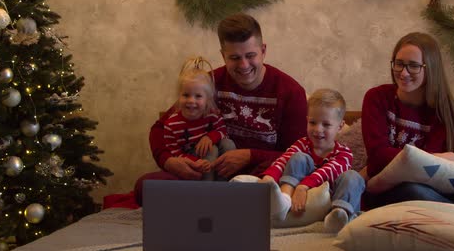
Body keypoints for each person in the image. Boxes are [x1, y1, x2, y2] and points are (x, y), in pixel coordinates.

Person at [134, 13, 307, 204]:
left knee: (278, 181)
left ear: (263, 50)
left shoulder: (291, 91)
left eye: (250, 56)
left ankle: (216, 201)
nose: (244, 65)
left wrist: (250, 156)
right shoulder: (206, 83)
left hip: (259, 175)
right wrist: (169, 161)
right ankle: (220, 200)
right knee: (145, 187)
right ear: (222, 55)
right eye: (234, 58)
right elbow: (159, 129)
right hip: (206, 171)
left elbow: (298, 153)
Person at [360, 32, 454, 236]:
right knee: (414, 190)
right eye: (398, 63)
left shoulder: (441, 109)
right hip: (384, 188)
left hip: (431, 188)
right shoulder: (377, 98)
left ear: (430, 68)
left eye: (414, 66)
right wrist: (436, 158)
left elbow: (430, 172)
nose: (404, 72)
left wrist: (427, 160)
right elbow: (377, 157)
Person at [259, 89, 365, 233]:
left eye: (326, 125)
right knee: (298, 158)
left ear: (340, 127)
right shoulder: (301, 144)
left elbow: (328, 171)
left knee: (353, 177)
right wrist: (268, 178)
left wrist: (303, 186)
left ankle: (340, 215)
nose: (317, 129)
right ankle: (283, 201)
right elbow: (283, 160)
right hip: (300, 202)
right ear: (307, 120)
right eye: (313, 122)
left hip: (329, 202)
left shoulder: (344, 153)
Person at [161, 57, 234, 181]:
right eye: (186, 95)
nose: (191, 101)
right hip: (191, 164)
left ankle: (225, 184)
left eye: (198, 96)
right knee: (211, 150)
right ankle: (207, 190)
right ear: (179, 96)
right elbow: (175, 153)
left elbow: (223, 132)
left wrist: (210, 137)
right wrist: (196, 162)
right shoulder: (171, 124)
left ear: (207, 99)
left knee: (228, 144)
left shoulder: (212, 115)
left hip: (215, 161)